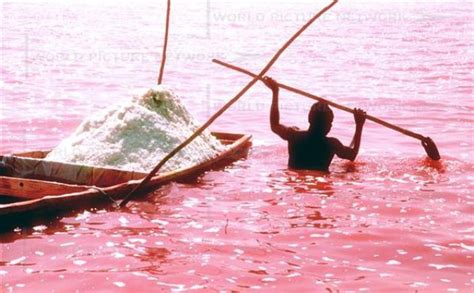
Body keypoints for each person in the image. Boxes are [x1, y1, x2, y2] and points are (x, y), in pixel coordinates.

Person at [263, 76, 367, 172]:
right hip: (320, 184)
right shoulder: (331, 144)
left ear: (309, 119)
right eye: (330, 122)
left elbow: (274, 125)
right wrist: (359, 125)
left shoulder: (294, 135)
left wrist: (275, 92)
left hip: (295, 183)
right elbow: (353, 155)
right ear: (328, 126)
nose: (331, 126)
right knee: (350, 168)